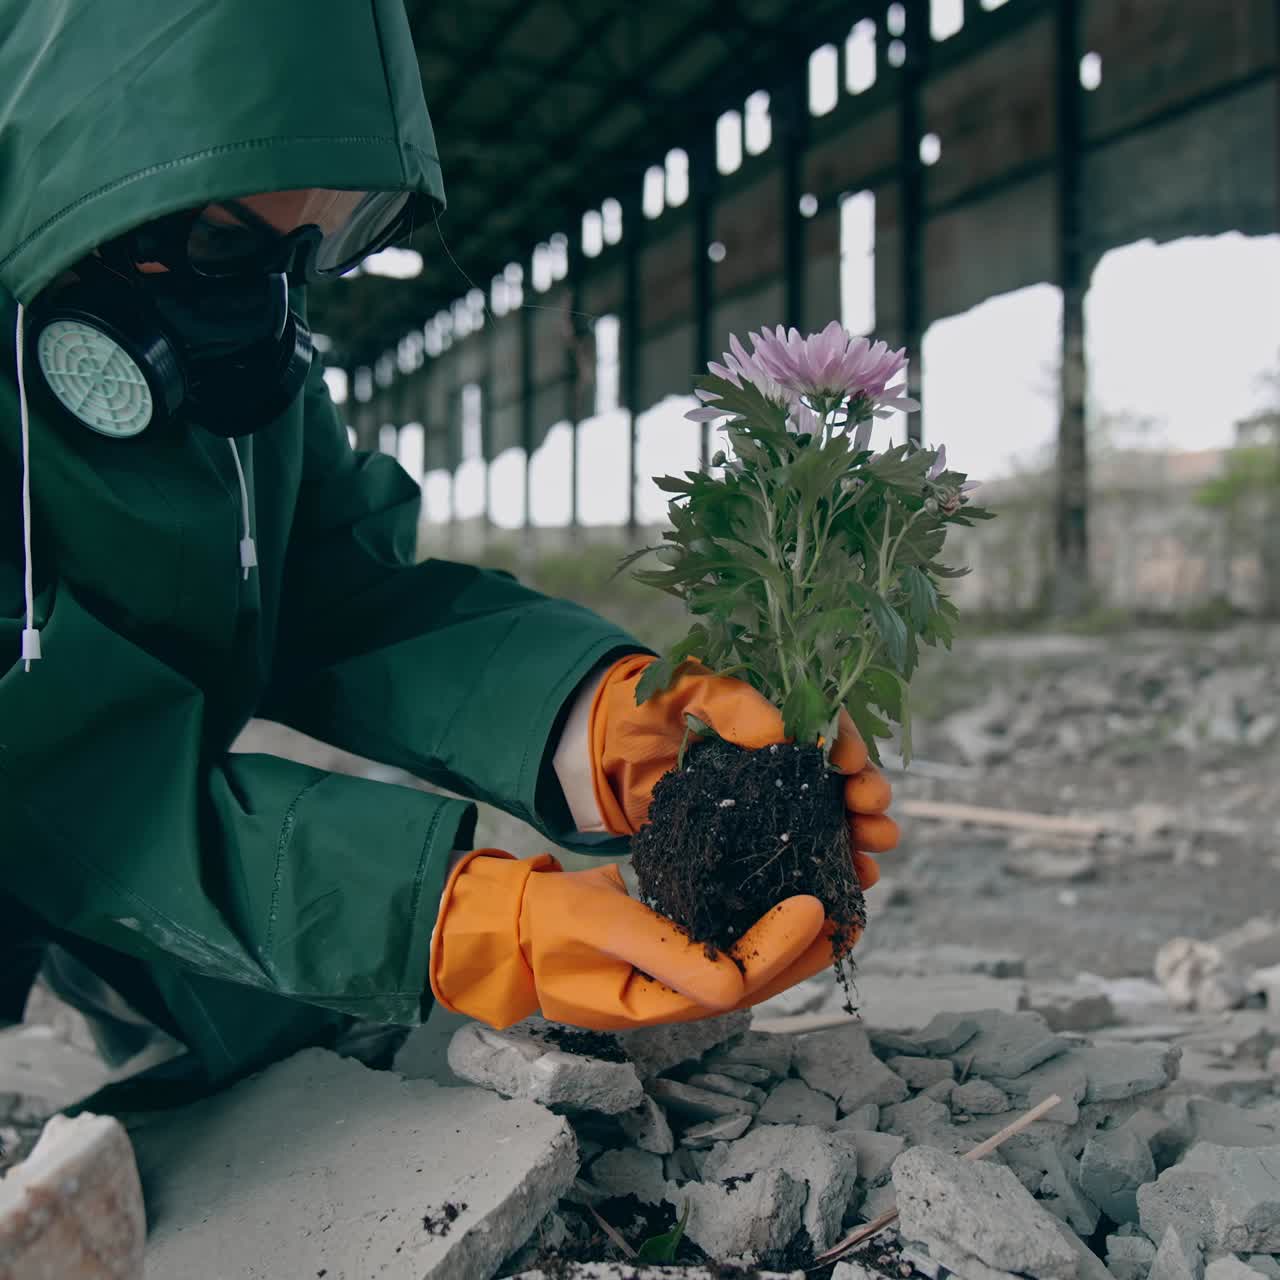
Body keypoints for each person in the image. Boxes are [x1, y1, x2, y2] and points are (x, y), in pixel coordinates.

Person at [0, 0, 898, 1093]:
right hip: (44, 796)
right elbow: (57, 776)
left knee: (284, 1043)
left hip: (121, 806)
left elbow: (342, 593)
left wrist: (596, 723)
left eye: (311, 243)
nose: (260, 303)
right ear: (70, 179)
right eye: (217, 245)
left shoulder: (239, 374)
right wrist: (441, 914)